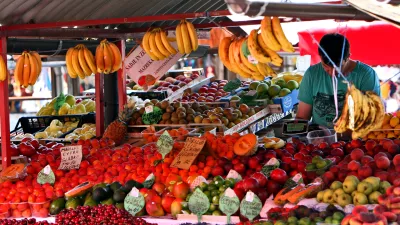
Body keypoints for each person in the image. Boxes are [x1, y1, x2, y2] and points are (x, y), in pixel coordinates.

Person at [296, 33, 380, 128]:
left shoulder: (366, 75)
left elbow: (370, 117)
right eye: (326, 67)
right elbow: (302, 117)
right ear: (320, 57)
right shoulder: (312, 74)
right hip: (319, 138)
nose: (332, 73)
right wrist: (312, 131)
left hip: (355, 140)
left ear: (348, 56)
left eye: (338, 68)